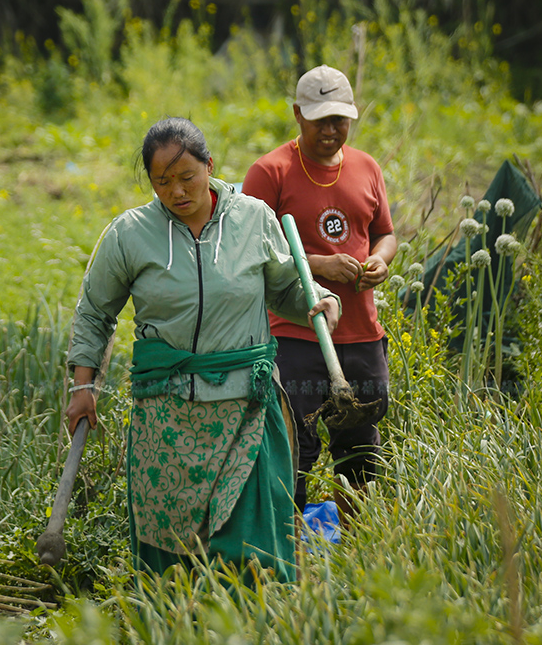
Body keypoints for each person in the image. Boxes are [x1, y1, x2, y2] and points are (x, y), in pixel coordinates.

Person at [65, 117, 341, 582]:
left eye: (187, 176)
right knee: (170, 553)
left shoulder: (253, 218)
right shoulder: (129, 234)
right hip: (166, 415)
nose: (176, 191)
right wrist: (83, 386)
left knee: (250, 547)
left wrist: (318, 300)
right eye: (162, 181)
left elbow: (287, 290)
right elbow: (94, 313)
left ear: (209, 166)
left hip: (246, 410)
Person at [242, 64, 398, 520]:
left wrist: (380, 261)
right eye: (320, 120)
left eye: (340, 119)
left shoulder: (367, 167)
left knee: (360, 448)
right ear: (297, 114)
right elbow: (253, 251)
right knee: (297, 447)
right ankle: (290, 547)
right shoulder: (270, 172)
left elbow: (386, 233)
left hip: (361, 333)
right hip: (297, 335)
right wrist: (318, 265)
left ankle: (356, 540)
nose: (331, 130)